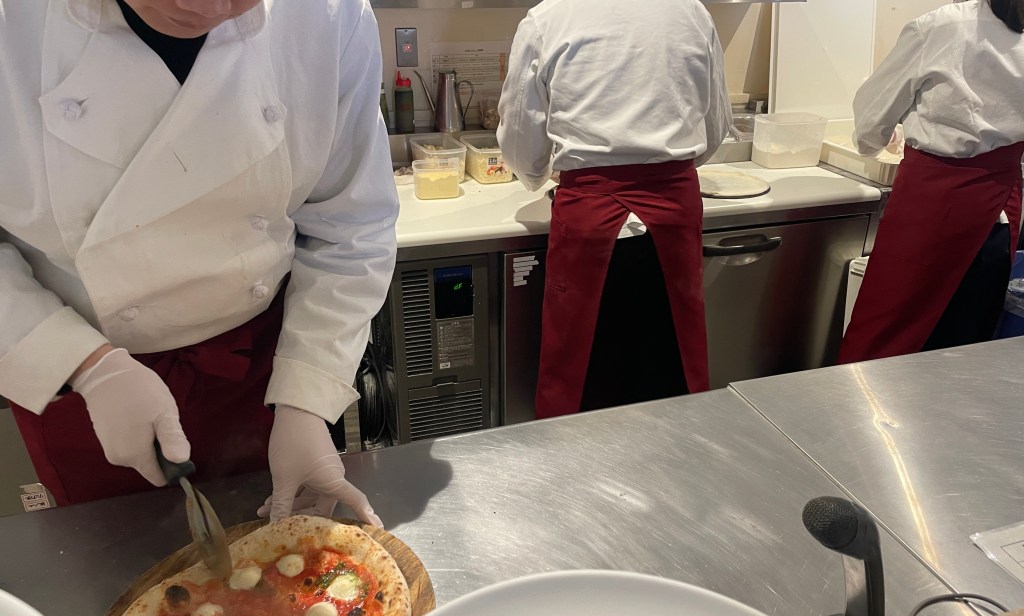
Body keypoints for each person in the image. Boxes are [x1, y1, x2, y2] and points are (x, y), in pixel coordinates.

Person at [0, 0, 398, 525]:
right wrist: (85, 366)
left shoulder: (327, 15)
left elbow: (350, 225)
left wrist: (307, 396)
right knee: (110, 561)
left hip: (261, 373)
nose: (206, 6)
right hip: (76, 380)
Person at [497, 0, 731, 419]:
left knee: (584, 390)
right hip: (673, 215)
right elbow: (714, 128)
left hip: (589, 219)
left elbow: (521, 141)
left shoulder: (549, 18)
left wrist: (537, 175)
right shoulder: (692, 13)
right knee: (671, 379)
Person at [838, 0, 1024, 363]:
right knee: (963, 348)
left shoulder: (942, 26)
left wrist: (873, 141)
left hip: (931, 203)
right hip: (1000, 212)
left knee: (885, 337)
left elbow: (872, 117)